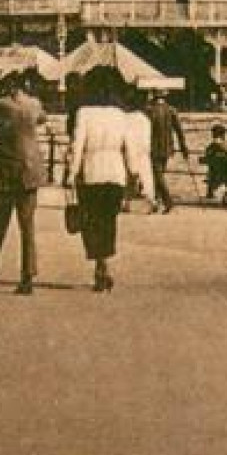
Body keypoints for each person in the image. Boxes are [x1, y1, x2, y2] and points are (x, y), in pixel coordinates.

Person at [65, 69, 152, 292]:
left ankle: (99, 264)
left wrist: (71, 173)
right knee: (108, 221)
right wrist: (135, 172)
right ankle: (104, 264)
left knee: (91, 220)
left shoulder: (83, 112)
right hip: (115, 172)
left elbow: (77, 145)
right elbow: (129, 148)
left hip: (91, 170)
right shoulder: (120, 114)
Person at [0, 73, 46, 295]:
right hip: (31, 169)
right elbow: (41, 119)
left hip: (7, 168)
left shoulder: (1, 105)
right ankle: (27, 276)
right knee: (27, 227)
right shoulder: (35, 104)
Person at [143, 88, 190, 213]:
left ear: (153, 95)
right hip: (168, 148)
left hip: (152, 147)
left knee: (157, 175)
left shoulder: (148, 110)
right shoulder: (171, 110)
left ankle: (167, 201)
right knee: (159, 174)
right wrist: (183, 147)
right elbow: (179, 131)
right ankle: (156, 203)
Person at [200, 124, 227, 204]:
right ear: (222, 134)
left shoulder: (214, 144)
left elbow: (208, 155)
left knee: (213, 171)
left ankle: (210, 193)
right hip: (223, 170)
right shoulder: (219, 143)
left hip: (216, 170)